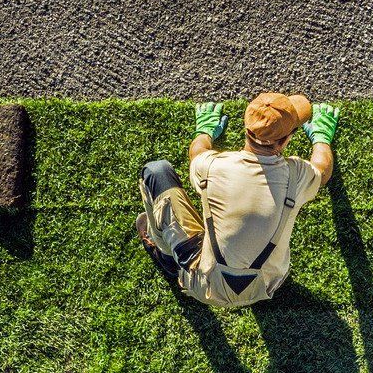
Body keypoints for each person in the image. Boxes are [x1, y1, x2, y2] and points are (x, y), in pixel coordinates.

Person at [137, 93, 339, 308]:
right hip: (268, 284)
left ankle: (167, 257)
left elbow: (197, 152)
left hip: (205, 285)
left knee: (157, 171)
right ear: (286, 139)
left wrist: (205, 131)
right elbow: (323, 169)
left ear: (246, 129)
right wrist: (321, 138)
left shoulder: (211, 166)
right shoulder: (297, 175)